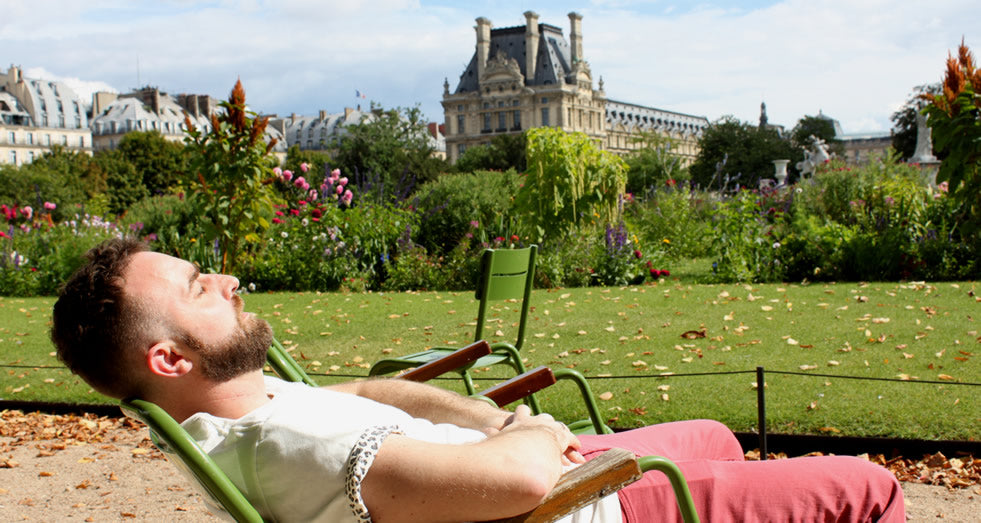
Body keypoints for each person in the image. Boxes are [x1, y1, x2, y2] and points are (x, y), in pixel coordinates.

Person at [51, 238, 905, 522]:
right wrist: (525, 431)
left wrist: (481, 415)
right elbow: (529, 481)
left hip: (533, 468)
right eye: (203, 287)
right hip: (578, 501)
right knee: (868, 489)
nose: (229, 281)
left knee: (717, 437)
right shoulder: (291, 440)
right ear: (170, 358)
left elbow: (362, 391)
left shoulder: (247, 409)